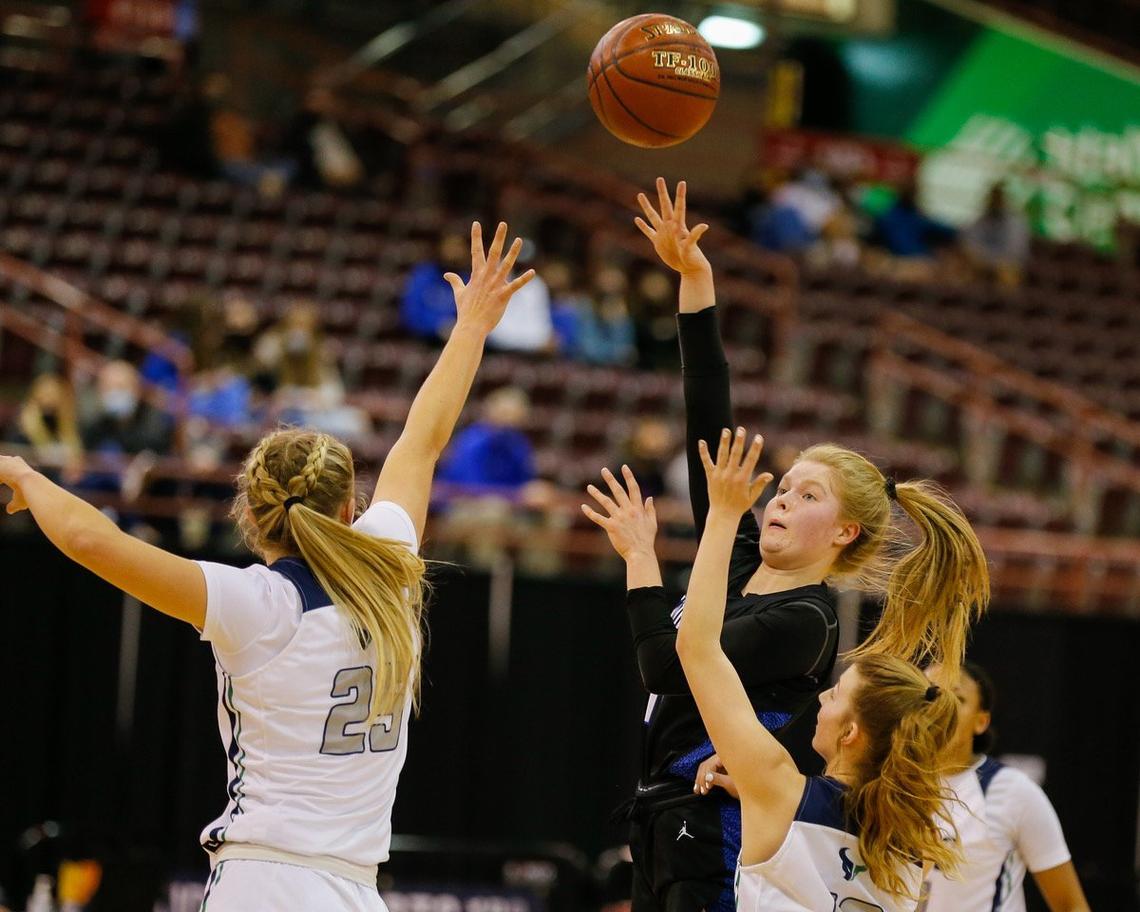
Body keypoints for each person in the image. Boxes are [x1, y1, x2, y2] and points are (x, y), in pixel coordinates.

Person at [0, 221, 535, 912]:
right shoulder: (392, 561)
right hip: (355, 890)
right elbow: (422, 440)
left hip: (262, 882)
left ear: (252, 515)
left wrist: (26, 475)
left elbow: (95, 543)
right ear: (349, 505)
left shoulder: (255, 605)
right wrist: (472, 328)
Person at [581, 178, 990, 912]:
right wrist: (696, 282)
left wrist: (642, 562)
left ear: (843, 533)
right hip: (660, 812)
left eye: (808, 496)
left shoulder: (810, 619)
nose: (780, 500)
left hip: (716, 825)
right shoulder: (736, 562)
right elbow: (707, 414)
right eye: (785, 485)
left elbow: (665, 665)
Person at [674, 426, 963, 910]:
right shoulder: (912, 842)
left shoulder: (777, 788)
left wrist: (724, 515)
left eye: (834, 695)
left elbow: (697, 648)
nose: (822, 700)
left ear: (851, 732)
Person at [921, 662, 1090, 912]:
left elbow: (1070, 905)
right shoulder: (889, 785)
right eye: (931, 695)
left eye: (957, 698)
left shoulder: (1012, 791)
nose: (942, 708)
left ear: (981, 721)